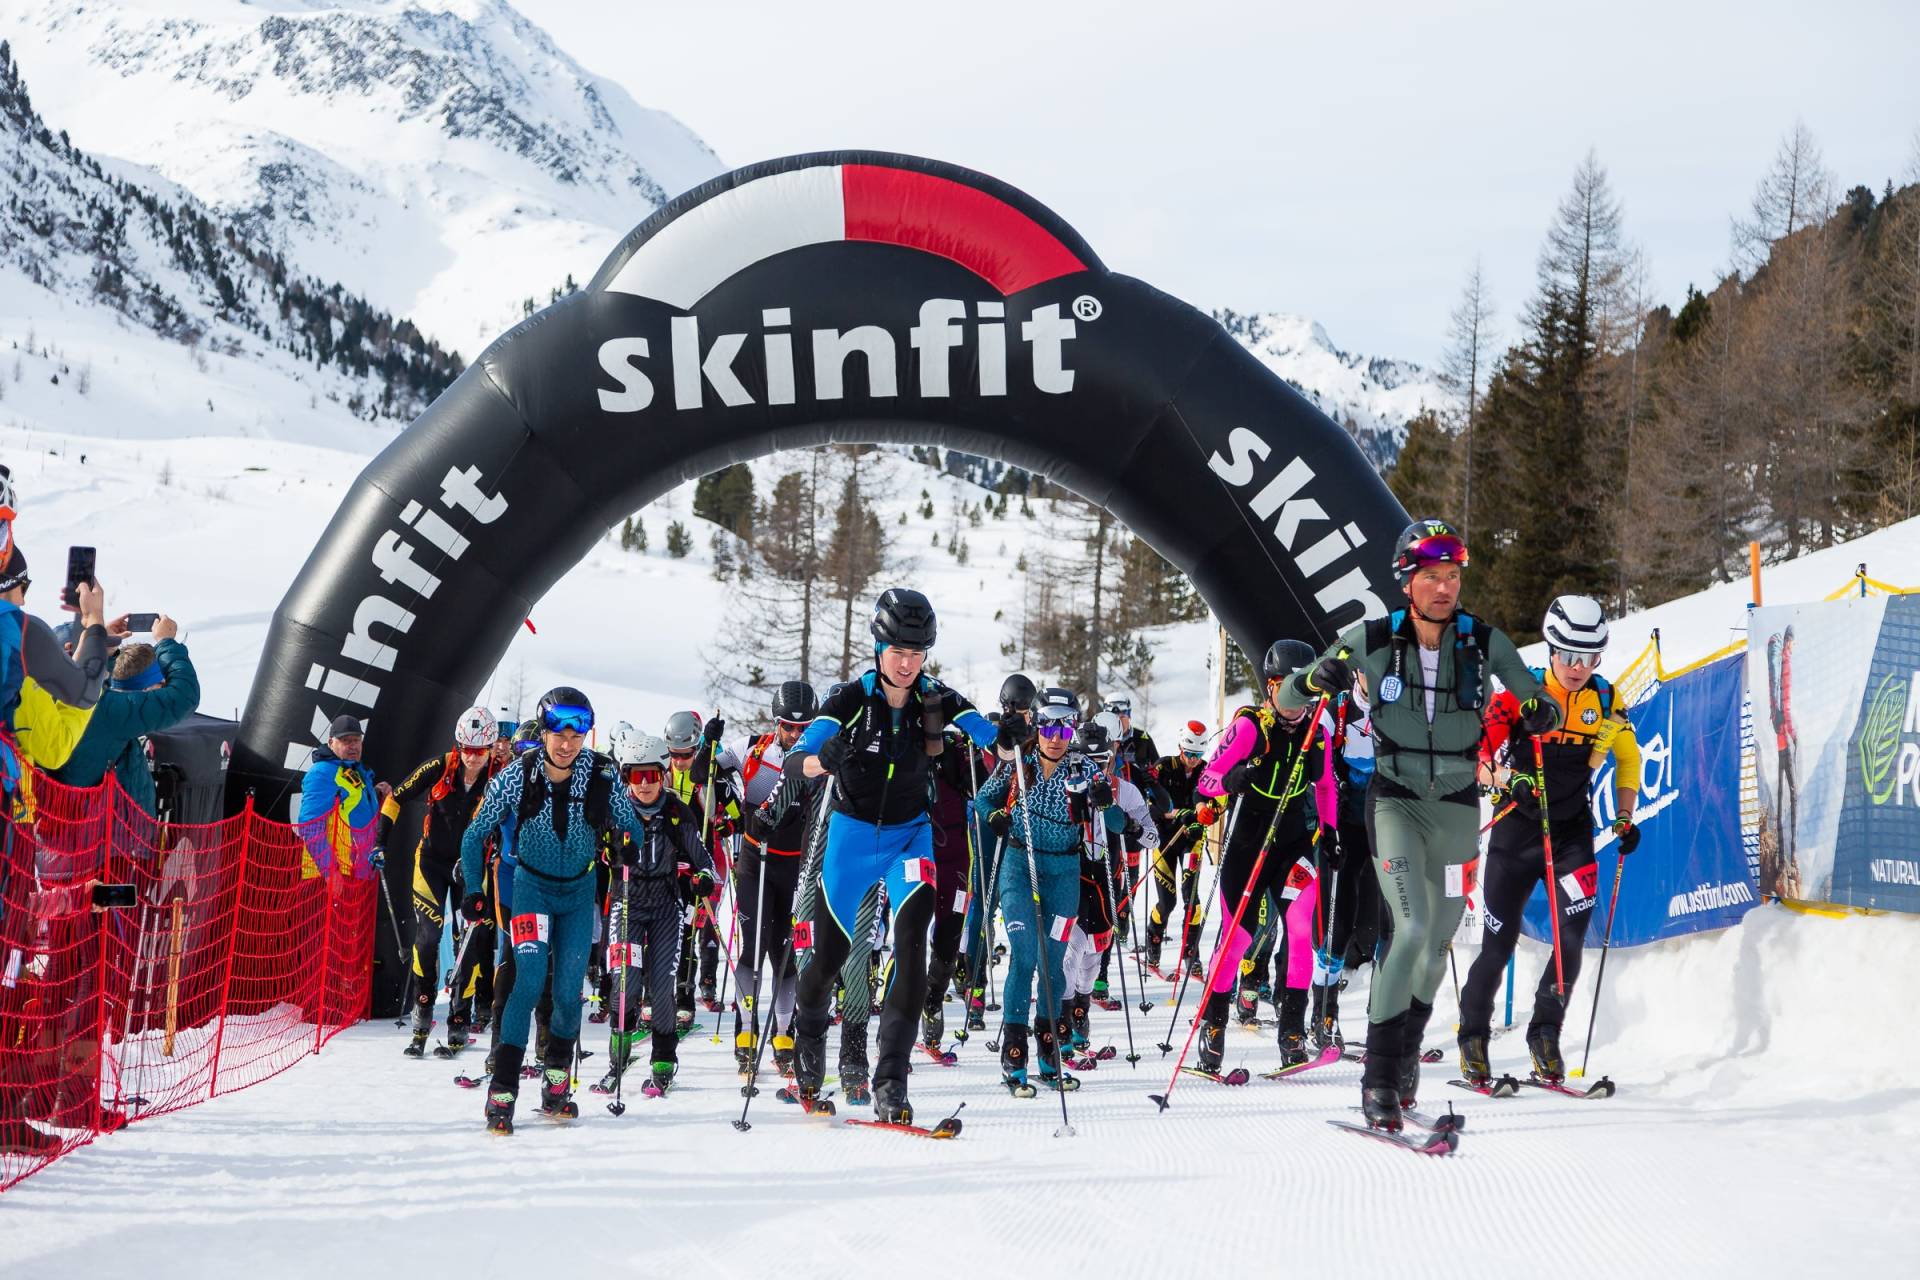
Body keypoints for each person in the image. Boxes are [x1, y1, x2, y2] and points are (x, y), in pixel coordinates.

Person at [1278, 517, 1554, 1132]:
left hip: (1456, 808)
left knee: (1436, 947)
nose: (1444, 587)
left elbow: (1534, 693)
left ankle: (1406, 1059)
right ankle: (1378, 1078)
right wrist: (1316, 678)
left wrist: (1540, 709)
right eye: (1431, 576)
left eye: (1452, 576)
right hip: (1395, 802)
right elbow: (1288, 696)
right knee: (1410, 930)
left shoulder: (1483, 641)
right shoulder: (1373, 637)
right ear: (1407, 581)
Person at [788, 588, 999, 1124]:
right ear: (879, 648)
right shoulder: (850, 700)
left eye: (916, 653)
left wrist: (1008, 736)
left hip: (911, 837)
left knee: (911, 946)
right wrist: (821, 759)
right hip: (852, 837)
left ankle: (890, 1083)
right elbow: (797, 758)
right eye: (898, 652)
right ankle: (808, 1042)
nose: (907, 664)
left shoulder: (935, 698)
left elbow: (984, 731)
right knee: (828, 958)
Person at [458, 687, 660, 1134]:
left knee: (569, 993)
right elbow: (474, 835)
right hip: (531, 890)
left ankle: (555, 1084)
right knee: (529, 983)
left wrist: (627, 845)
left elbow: (631, 824)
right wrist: (473, 888)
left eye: (577, 735)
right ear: (545, 731)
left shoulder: (600, 774)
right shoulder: (518, 775)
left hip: (577, 895)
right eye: (559, 734)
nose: (567, 744)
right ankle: (502, 1091)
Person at [1459, 594, 1640, 1085]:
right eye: (1570, 656)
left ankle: (1544, 1033)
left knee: (1570, 940)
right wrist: (1505, 778)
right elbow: (1476, 757)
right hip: (1516, 833)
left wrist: (1625, 817)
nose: (1579, 668)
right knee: (1498, 945)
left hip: (1570, 835)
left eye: (1590, 658)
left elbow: (1629, 758)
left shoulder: (1605, 700)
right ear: (1551, 650)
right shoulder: (1521, 694)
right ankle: (1472, 1035)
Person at [1193, 639, 1326, 1077]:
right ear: (1271, 686)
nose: (1297, 699)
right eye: (1288, 687)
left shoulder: (1316, 732)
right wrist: (1233, 779)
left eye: (1305, 689)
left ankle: (1292, 1032)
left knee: (1300, 930)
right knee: (1239, 938)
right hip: (1250, 843)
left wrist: (1331, 833)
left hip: (1293, 843)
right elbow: (1207, 778)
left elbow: (1326, 786)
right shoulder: (1251, 727)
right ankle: (1213, 1024)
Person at [974, 685, 1092, 1095]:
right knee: (1025, 955)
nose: (1056, 738)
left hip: (1064, 873)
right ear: (1036, 727)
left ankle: (1048, 1050)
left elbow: (1114, 823)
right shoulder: (1018, 762)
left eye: (1065, 729)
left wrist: (1106, 802)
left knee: (1053, 963)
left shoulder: (1083, 768)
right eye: (1048, 728)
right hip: (1019, 867)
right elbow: (983, 801)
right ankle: (1014, 1052)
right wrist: (995, 818)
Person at [377, 704, 504, 1057]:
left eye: (480, 751)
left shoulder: (501, 776)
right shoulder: (439, 766)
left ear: (491, 748)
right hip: (431, 862)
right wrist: (380, 842)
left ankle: (460, 1019)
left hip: (471, 867)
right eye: (467, 749)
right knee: (428, 936)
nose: (472, 758)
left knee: (470, 941)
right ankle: (422, 1011)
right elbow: (396, 797)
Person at [596, 731, 714, 1097]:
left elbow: (704, 860)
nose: (644, 784)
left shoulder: (677, 812)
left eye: (651, 775)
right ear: (626, 777)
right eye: (636, 776)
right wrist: (610, 854)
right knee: (625, 982)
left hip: (665, 905)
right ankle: (617, 1056)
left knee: (662, 985)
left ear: (662, 774)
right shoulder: (616, 810)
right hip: (626, 904)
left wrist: (702, 878)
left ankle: (663, 1060)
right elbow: (595, 850)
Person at [731, 681, 818, 1074]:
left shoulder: (817, 759)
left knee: (786, 955)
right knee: (752, 947)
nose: (796, 734)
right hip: (756, 860)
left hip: (795, 866)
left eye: (804, 728)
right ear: (776, 722)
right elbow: (704, 771)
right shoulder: (751, 748)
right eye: (788, 726)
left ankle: (784, 1033)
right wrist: (709, 752)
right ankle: (745, 1029)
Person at [51, 617, 200, 811]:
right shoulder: (107, 710)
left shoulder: (44, 699)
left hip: (63, 817)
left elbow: (92, 680)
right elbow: (183, 698)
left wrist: (105, 652)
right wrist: (166, 643)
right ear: (72, 650)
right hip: (113, 825)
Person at [665, 709, 740, 1016]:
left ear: (697, 748)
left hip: (703, 862)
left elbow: (738, 814)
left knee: (695, 926)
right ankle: (652, 995)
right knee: (663, 929)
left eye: (686, 754)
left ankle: (693, 991)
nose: (679, 760)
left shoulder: (711, 774)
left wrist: (727, 822)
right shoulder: (661, 771)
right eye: (674, 753)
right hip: (667, 862)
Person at [1144, 720, 1209, 976]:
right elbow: (1150, 806)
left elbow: (1214, 804)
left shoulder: (1207, 770)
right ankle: (1154, 938)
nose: (1193, 760)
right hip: (1165, 840)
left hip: (1192, 840)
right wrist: (1176, 813)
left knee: (1192, 898)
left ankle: (1191, 953)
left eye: (1198, 754)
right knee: (1167, 902)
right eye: (1189, 753)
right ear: (1181, 748)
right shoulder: (1163, 767)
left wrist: (1203, 819)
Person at [298, 714, 389, 884]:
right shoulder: (321, 773)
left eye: (356, 740)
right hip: (330, 876)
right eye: (346, 741)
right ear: (331, 742)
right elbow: (310, 827)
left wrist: (375, 793)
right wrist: (330, 871)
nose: (353, 746)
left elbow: (351, 805)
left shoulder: (354, 770)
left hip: (357, 872)